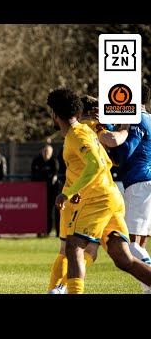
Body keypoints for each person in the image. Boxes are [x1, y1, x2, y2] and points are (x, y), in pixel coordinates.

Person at [47, 87, 151, 294]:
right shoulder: (87, 129)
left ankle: (65, 290)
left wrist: (68, 192)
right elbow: (106, 158)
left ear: (54, 114)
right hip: (110, 196)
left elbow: (95, 165)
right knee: (123, 258)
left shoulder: (77, 134)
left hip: (98, 198)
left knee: (74, 246)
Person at [115, 83, 151, 294]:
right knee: (141, 245)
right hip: (147, 182)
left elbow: (127, 150)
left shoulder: (135, 119)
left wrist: (114, 130)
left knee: (129, 245)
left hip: (138, 183)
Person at [31, 143, 59, 237]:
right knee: (40, 212)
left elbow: (54, 176)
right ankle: (40, 231)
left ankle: (51, 232)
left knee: (51, 211)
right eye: (45, 151)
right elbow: (34, 175)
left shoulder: (54, 161)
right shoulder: (36, 161)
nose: (46, 153)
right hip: (39, 191)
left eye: (48, 152)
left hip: (52, 191)